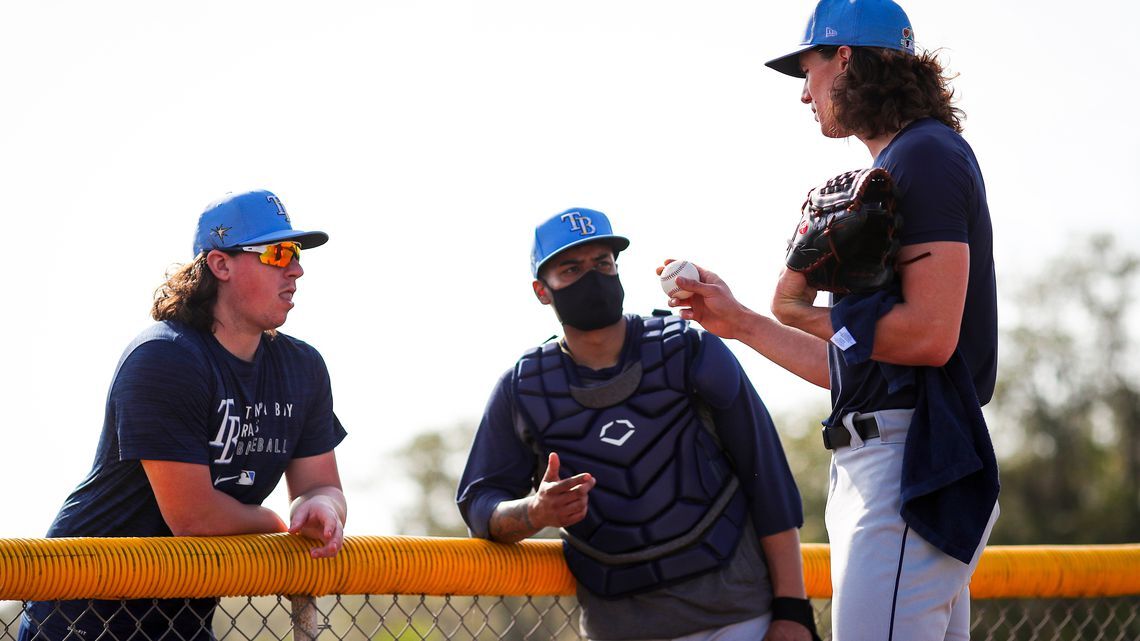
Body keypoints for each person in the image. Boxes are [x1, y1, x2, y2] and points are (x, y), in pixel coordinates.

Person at [667, 1, 1000, 639]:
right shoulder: (909, 157)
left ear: (844, 58)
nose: (804, 94)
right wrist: (741, 321)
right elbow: (859, 363)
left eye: (809, 69)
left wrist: (812, 310)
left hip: (908, 460)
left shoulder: (923, 155)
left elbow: (929, 337)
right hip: (891, 449)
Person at [457, 208, 818, 641]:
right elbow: (479, 503)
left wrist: (793, 612)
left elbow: (767, 477)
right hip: (622, 630)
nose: (593, 277)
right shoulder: (525, 387)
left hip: (741, 619)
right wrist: (534, 511)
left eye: (603, 264)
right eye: (572, 268)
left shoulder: (687, 349)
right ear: (542, 290)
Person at [19, 190, 349, 641]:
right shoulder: (166, 356)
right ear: (220, 265)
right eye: (278, 253)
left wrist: (320, 506)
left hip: (184, 623)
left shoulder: (302, 367)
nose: (296, 269)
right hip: (82, 619)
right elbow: (194, 518)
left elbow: (320, 484)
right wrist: (277, 524)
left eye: (295, 254)